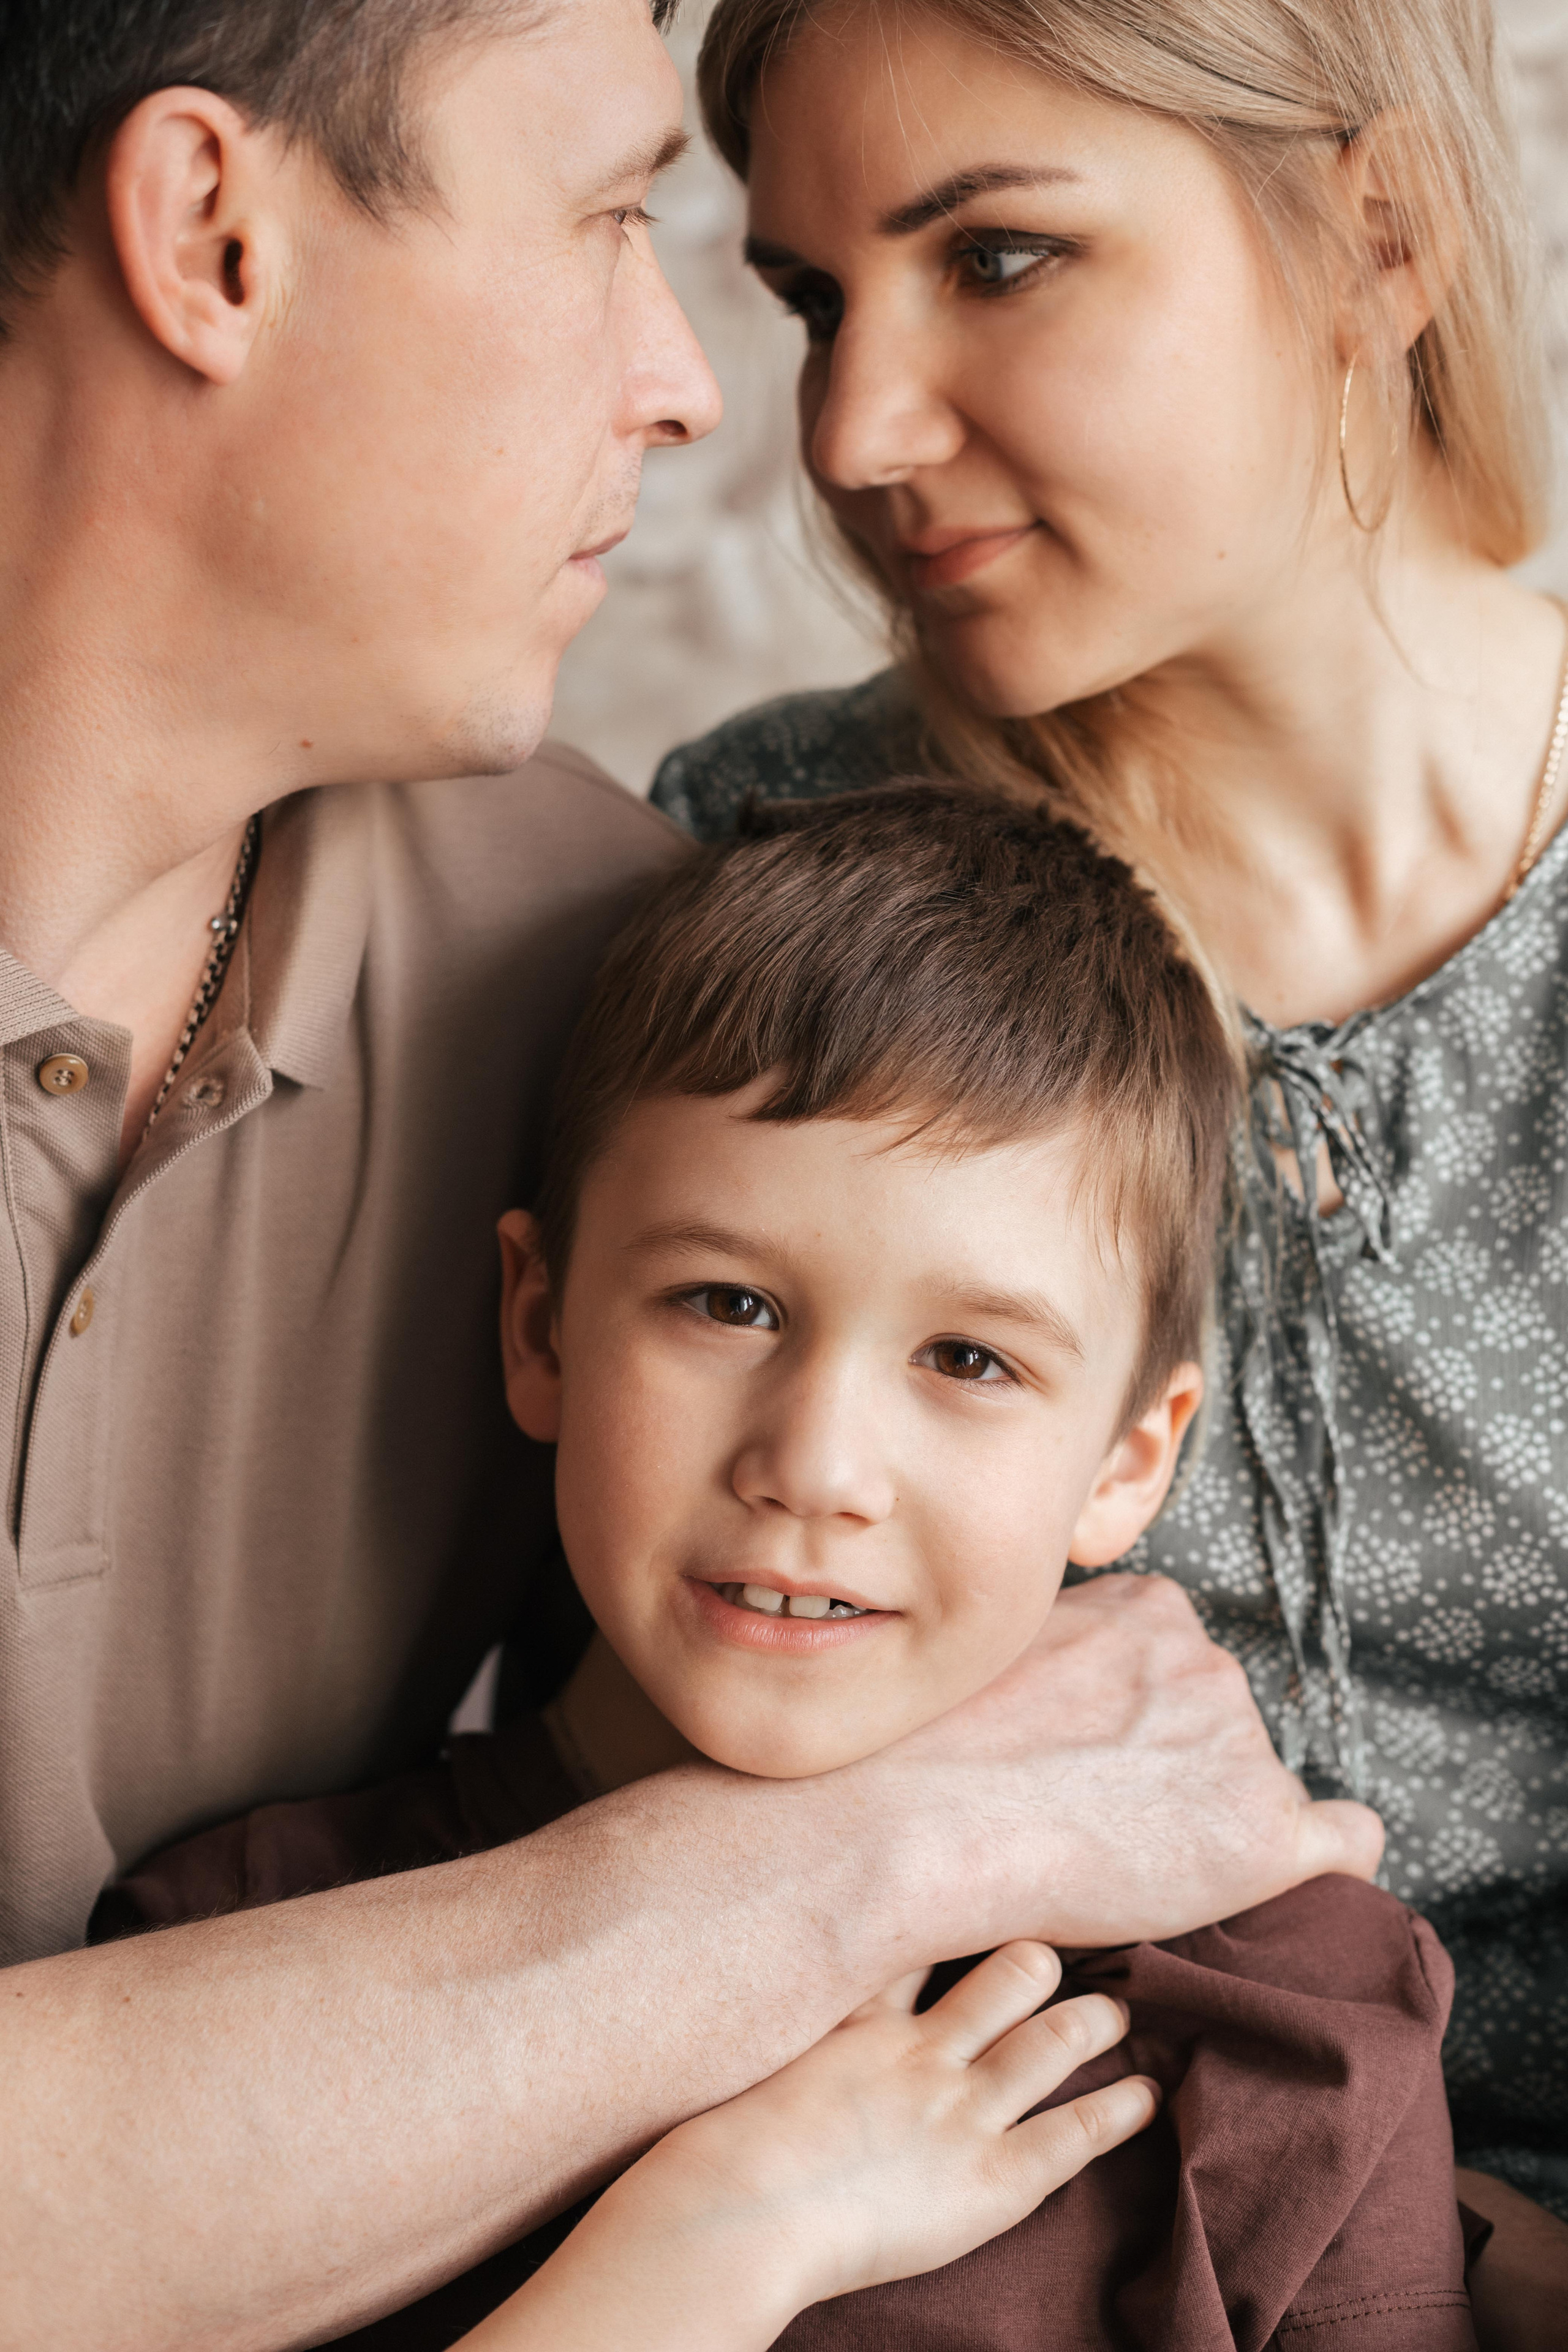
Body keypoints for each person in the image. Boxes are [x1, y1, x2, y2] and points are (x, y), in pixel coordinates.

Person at [0, 2, 1381, 2345]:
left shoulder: (603, 966)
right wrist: (870, 1855)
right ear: (215, 236)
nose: (707, 395)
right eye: (609, 218)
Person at [648, 0, 1568, 2339]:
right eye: (814, 298)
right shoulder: (764, 872)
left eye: (997, 258)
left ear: (1381, 235)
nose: (851, 431)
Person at [114, 785, 1479, 2352]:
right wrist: (714, 2252)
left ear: (1125, 1460)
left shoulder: (1289, 2017)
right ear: (541, 1325)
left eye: (967, 1359)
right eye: (727, 1305)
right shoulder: (226, 1971)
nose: (815, 1467)